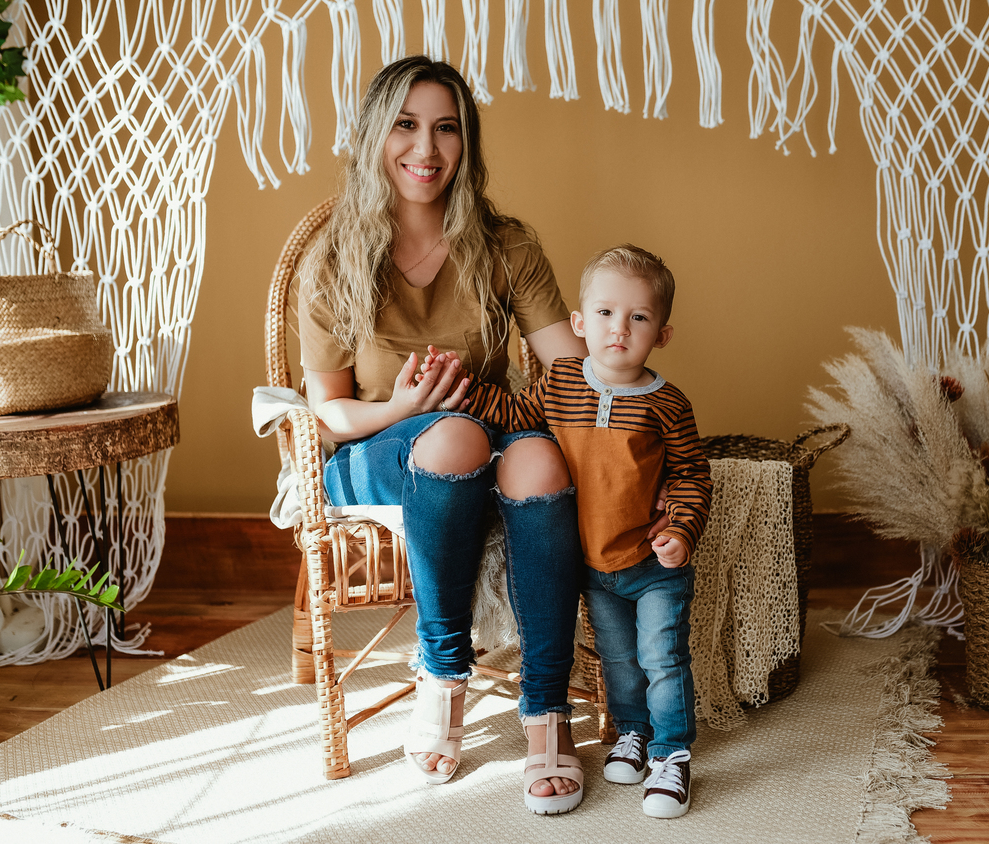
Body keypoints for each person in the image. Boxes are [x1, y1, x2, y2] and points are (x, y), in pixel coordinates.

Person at [295, 55, 593, 815]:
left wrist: (614, 395)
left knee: (539, 462)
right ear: (375, 135)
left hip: (485, 435)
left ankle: (547, 709)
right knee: (454, 437)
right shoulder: (334, 258)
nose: (425, 149)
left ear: (467, 143)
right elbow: (328, 412)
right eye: (406, 125)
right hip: (372, 450)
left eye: (446, 129)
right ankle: (444, 672)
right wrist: (401, 407)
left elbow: (570, 372)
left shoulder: (506, 245)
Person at [429, 244, 713, 818]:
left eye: (638, 317)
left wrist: (682, 531)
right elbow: (513, 415)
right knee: (619, 662)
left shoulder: (667, 405)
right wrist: (460, 386)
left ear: (662, 334)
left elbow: (690, 474)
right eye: (606, 313)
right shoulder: (562, 381)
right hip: (594, 567)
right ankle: (632, 734)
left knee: (662, 658)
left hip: (652, 564)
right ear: (580, 323)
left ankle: (672, 756)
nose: (619, 329)